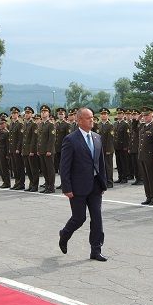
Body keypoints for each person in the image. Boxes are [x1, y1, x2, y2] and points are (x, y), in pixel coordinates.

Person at [58, 107, 109, 262]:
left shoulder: (97, 137)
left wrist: (103, 183)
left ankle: (96, 250)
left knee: (97, 218)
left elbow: (101, 163)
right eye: (88, 118)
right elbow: (64, 166)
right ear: (79, 120)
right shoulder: (71, 139)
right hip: (78, 187)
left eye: (92, 117)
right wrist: (66, 187)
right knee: (79, 218)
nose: (92, 120)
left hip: (95, 185)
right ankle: (64, 234)